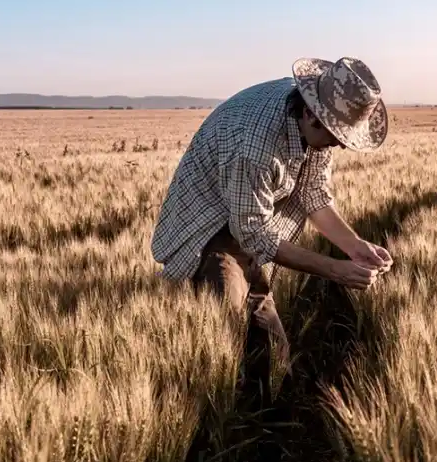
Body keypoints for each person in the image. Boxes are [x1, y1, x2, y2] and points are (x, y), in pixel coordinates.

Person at [149, 57, 393, 410]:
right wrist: (335, 270)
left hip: (251, 219)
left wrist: (354, 247)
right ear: (311, 114)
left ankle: (258, 416)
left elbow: (313, 194)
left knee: (273, 352)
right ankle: (210, 414)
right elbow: (255, 237)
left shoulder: (316, 127)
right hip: (208, 223)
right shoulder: (255, 146)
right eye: (337, 137)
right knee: (228, 318)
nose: (339, 146)